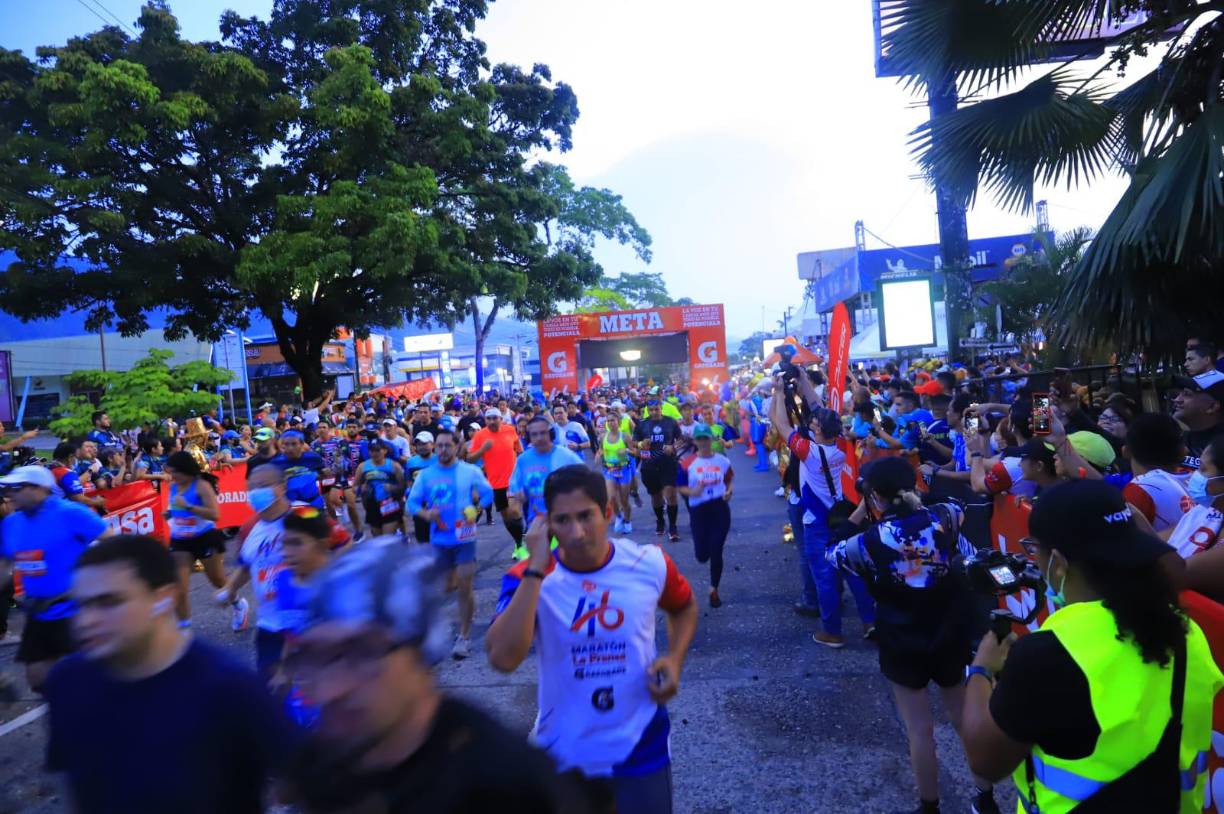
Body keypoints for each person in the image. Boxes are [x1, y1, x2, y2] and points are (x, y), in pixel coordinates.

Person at [961, 479, 1222, 814]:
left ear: (1057, 562)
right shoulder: (1188, 631)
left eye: (1032, 549)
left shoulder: (1050, 653)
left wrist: (982, 668)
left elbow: (985, 762)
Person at [283, 542, 589, 814]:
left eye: (363, 653)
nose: (330, 687)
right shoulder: (321, 766)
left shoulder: (506, 784)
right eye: (317, 655)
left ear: (421, 655)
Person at [486, 465, 698, 814]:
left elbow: (684, 606)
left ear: (609, 512)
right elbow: (503, 658)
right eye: (563, 521)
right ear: (547, 524)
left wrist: (674, 659)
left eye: (586, 516)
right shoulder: (528, 578)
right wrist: (535, 568)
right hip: (565, 752)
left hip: (640, 746)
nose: (577, 532)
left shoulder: (648, 563)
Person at [44, 534, 296, 814]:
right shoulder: (67, 681)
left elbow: (304, 781)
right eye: (82, 605)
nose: (87, 621)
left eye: (109, 602)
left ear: (163, 598)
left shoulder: (230, 689)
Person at [827, 457, 998, 814]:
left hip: (901, 638)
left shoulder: (869, 541)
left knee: (919, 729)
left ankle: (929, 805)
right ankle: (985, 795)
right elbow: (953, 504)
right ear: (914, 483)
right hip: (948, 630)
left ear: (874, 496)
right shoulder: (944, 517)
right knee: (961, 715)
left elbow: (833, 553)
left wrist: (860, 509)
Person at [775, 380, 877, 648]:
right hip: (842, 515)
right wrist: (803, 379)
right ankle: (870, 621)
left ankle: (832, 631)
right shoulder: (841, 444)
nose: (811, 424)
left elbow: (781, 425)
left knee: (825, 577)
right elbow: (822, 411)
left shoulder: (809, 451)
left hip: (817, 522)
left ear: (818, 431)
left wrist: (777, 393)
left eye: (814, 424)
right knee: (853, 570)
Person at [0, 465, 111, 692]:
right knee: (38, 679)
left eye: (16, 488)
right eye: (7, 489)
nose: (9, 494)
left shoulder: (70, 513)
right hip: (39, 614)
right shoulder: (11, 523)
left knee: (91, 679)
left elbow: (114, 542)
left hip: (77, 612)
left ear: (39, 489)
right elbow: (4, 565)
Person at [407, 429, 493, 659]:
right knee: (443, 588)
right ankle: (434, 628)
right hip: (439, 539)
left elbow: (488, 494)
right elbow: (412, 504)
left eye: (448, 446)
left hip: (464, 537)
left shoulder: (470, 471)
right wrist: (426, 515)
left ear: (457, 447)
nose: (443, 450)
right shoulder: (425, 475)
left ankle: (464, 636)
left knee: (465, 585)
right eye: (440, 446)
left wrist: (476, 509)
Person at [217, 464, 296, 682]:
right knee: (271, 688)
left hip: (307, 621)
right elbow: (246, 565)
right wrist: (229, 590)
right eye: (251, 487)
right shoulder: (249, 527)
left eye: (263, 486)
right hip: (270, 623)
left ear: (282, 487)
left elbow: (340, 546)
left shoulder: (305, 516)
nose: (255, 492)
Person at [164, 450, 249, 630]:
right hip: (180, 540)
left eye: (175, 472)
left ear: (185, 470)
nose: (172, 476)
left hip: (204, 537)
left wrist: (189, 506)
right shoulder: (173, 487)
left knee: (217, 580)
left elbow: (215, 515)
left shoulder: (201, 486)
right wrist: (170, 514)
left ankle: (238, 604)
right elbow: (175, 508)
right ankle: (184, 632)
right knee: (178, 587)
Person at [507, 415, 583, 559]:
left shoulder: (565, 455)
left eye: (543, 433)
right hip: (537, 519)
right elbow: (514, 482)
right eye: (534, 434)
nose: (539, 437)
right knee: (541, 562)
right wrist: (518, 493)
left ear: (551, 433)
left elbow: (586, 478)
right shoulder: (523, 459)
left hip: (564, 519)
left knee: (565, 561)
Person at [677, 424, 734, 608]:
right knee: (702, 555)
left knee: (717, 550)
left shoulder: (722, 461)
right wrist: (692, 492)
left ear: (711, 439)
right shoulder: (688, 463)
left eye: (706, 438)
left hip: (719, 509)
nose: (703, 442)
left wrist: (729, 492)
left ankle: (713, 589)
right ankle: (705, 554)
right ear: (695, 441)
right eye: (699, 439)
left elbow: (729, 481)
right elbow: (681, 486)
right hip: (699, 511)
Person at [467, 407, 526, 557]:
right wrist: (482, 450)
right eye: (489, 419)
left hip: (512, 481)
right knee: (507, 518)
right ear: (485, 420)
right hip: (495, 483)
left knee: (514, 511)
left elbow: (519, 451)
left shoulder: (510, 430)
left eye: (495, 418)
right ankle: (519, 544)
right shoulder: (480, 436)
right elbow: (469, 458)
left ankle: (523, 537)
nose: (492, 421)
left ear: (501, 419)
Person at [1120, 412, 1190, 532]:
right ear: (1183, 451)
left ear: (1125, 451)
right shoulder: (1201, 479)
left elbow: (1124, 543)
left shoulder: (1140, 489)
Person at [634, 400, 684, 542]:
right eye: (651, 410)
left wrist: (673, 447)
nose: (654, 412)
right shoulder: (642, 424)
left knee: (671, 495)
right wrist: (641, 444)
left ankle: (673, 527)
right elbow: (633, 443)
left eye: (656, 409)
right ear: (648, 410)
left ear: (661, 408)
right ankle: (660, 520)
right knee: (656, 497)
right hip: (649, 466)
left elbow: (681, 439)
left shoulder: (670, 422)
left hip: (668, 464)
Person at [595, 412, 637, 534]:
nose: (610, 423)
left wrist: (627, 450)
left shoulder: (625, 436)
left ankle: (628, 520)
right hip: (610, 470)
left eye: (612, 420)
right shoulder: (603, 436)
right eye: (608, 421)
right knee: (611, 498)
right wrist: (598, 455)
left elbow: (635, 452)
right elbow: (601, 449)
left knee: (624, 500)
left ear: (618, 422)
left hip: (624, 470)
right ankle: (618, 517)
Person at [355, 439, 407, 537]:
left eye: (377, 450)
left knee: (386, 539)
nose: (374, 453)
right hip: (372, 506)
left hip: (390, 504)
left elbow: (403, 487)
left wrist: (393, 488)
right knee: (378, 540)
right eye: (372, 450)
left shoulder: (394, 466)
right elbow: (354, 487)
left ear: (384, 451)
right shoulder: (362, 467)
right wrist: (361, 489)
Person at [1173, 371, 1224, 469]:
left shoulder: (1220, 449)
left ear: (1212, 406)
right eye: (1180, 393)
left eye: (1187, 394)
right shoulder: (1179, 439)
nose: (1177, 399)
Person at [273, 429, 326, 509]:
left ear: (301, 444)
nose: (290, 448)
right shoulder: (276, 463)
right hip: (290, 506)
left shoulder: (313, 458)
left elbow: (324, 474)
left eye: (294, 444)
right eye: (286, 444)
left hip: (314, 503)